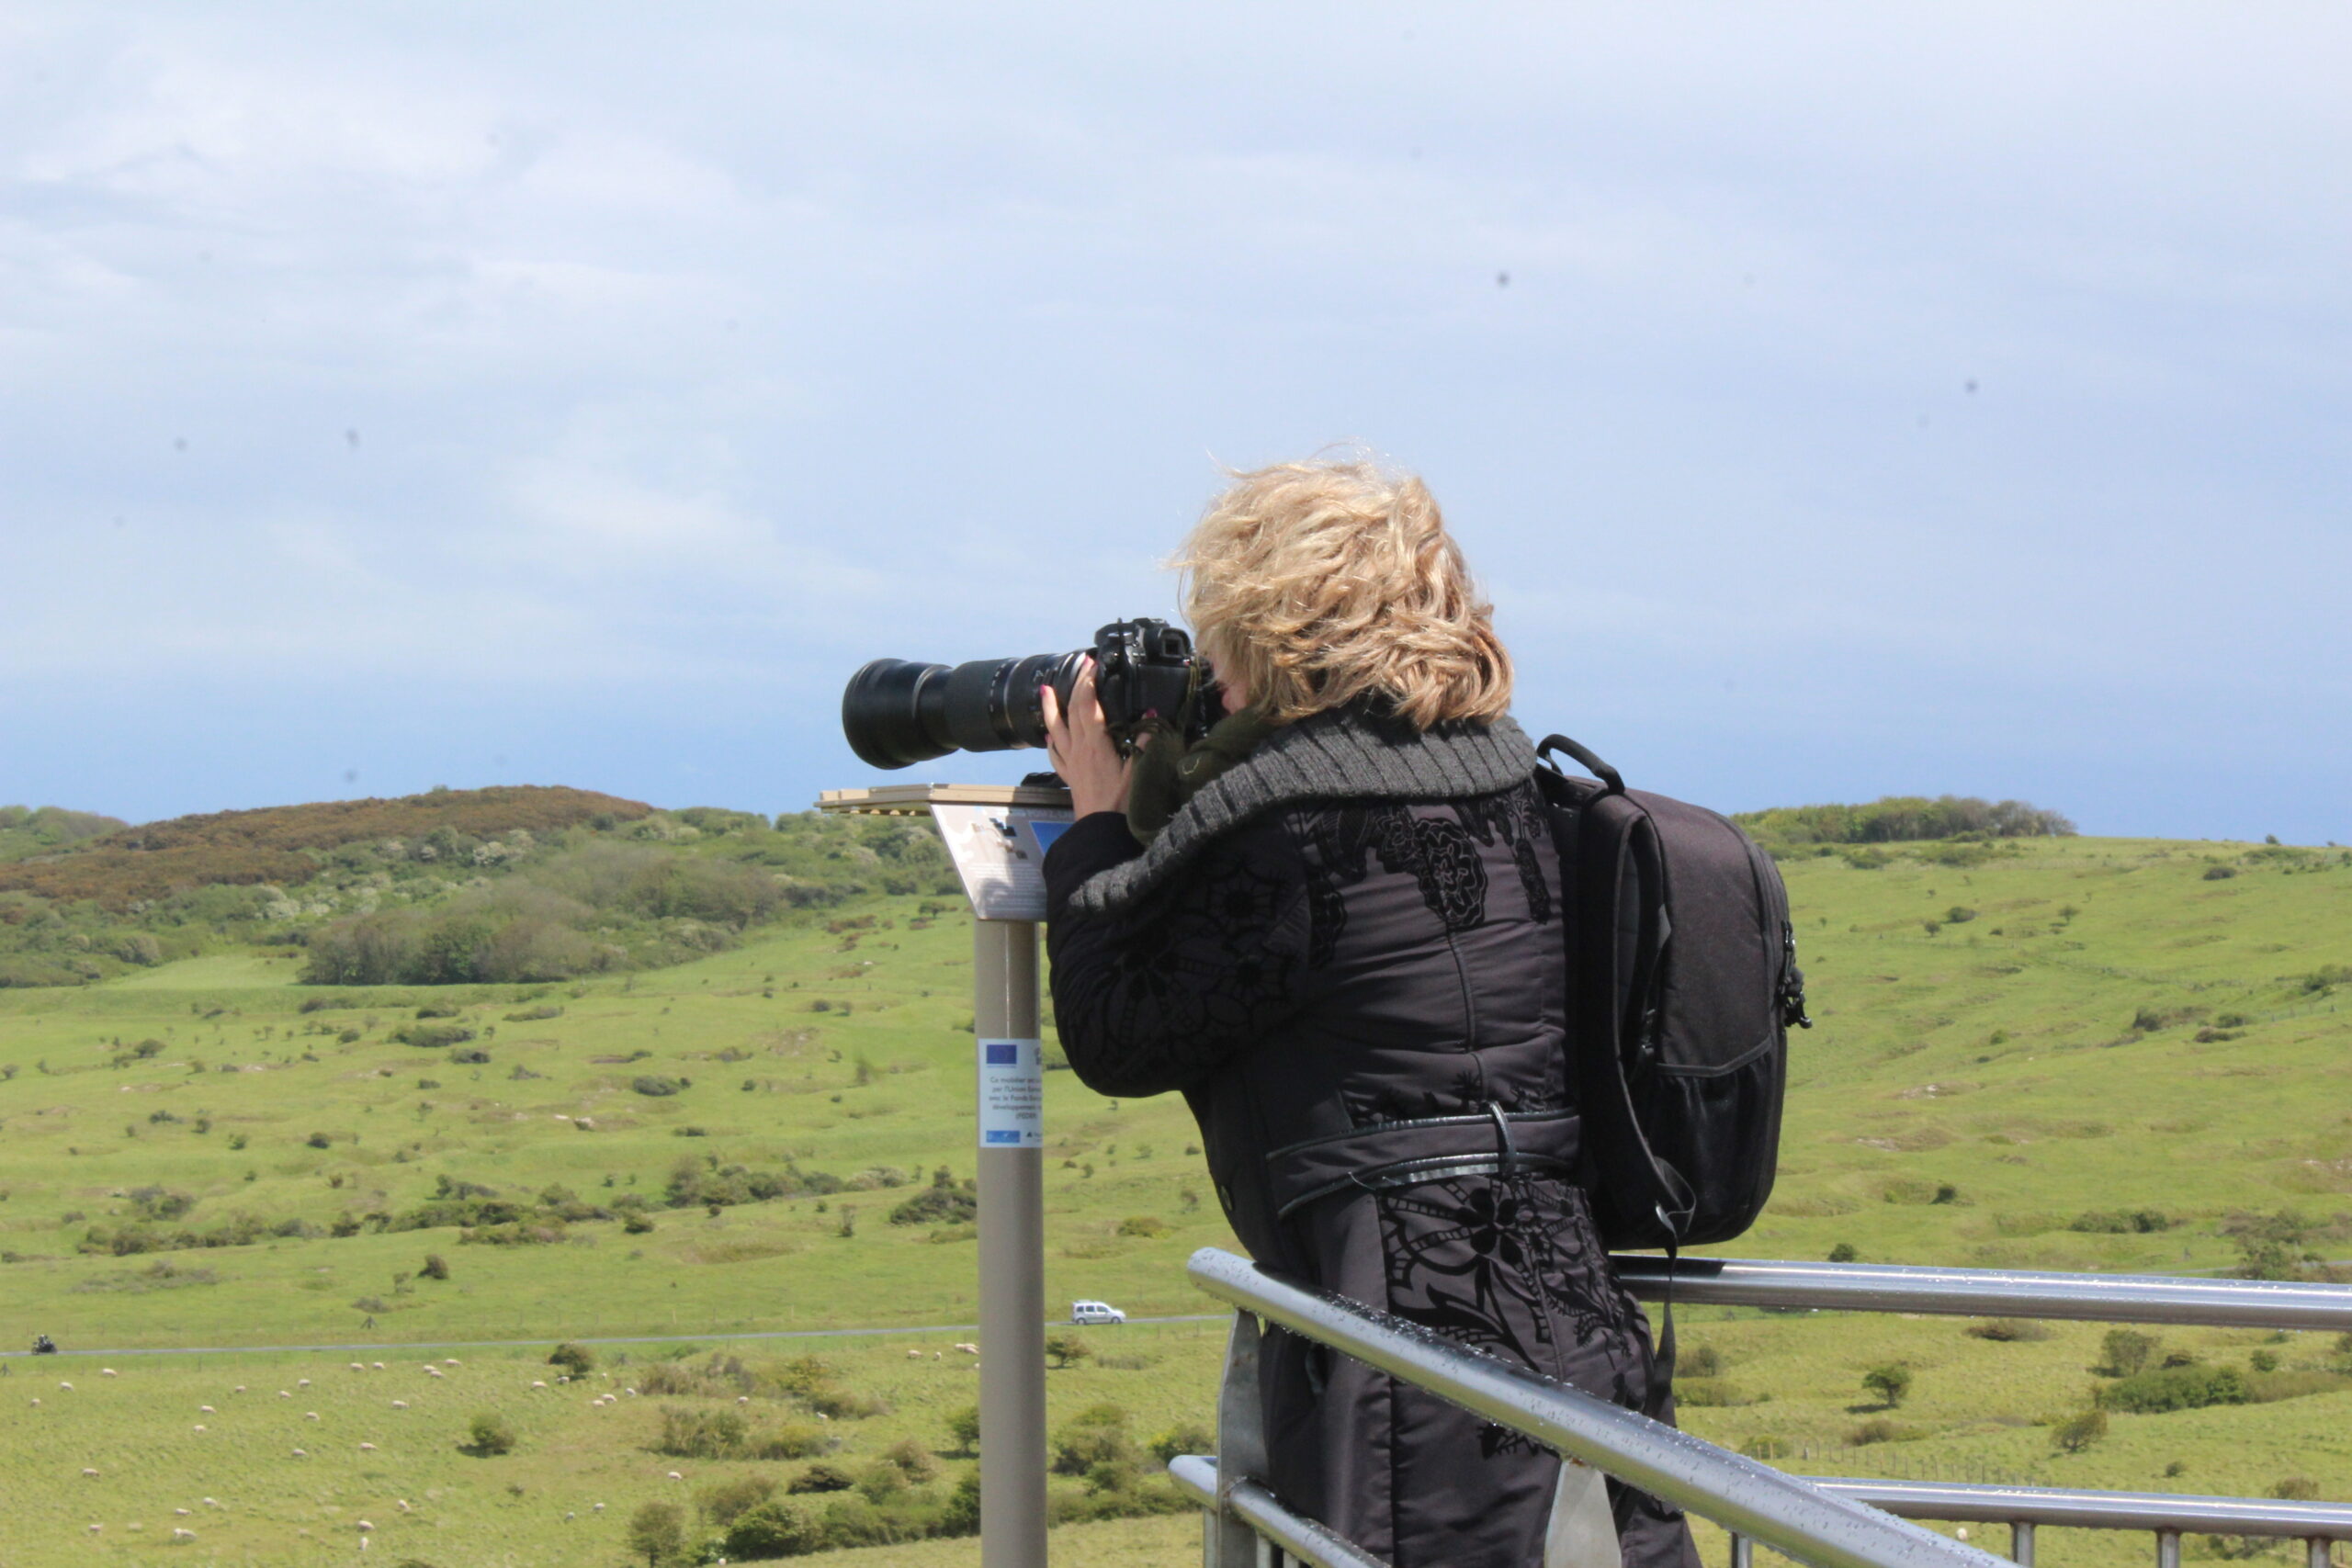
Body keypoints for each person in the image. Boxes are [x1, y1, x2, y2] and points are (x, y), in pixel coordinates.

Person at [1040, 457, 1699, 1568]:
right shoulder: (1498, 780)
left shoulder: (1295, 823)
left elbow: (1120, 1031)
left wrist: (1101, 822)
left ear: (1275, 624)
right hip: (1566, 1288)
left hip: (1395, 1309)